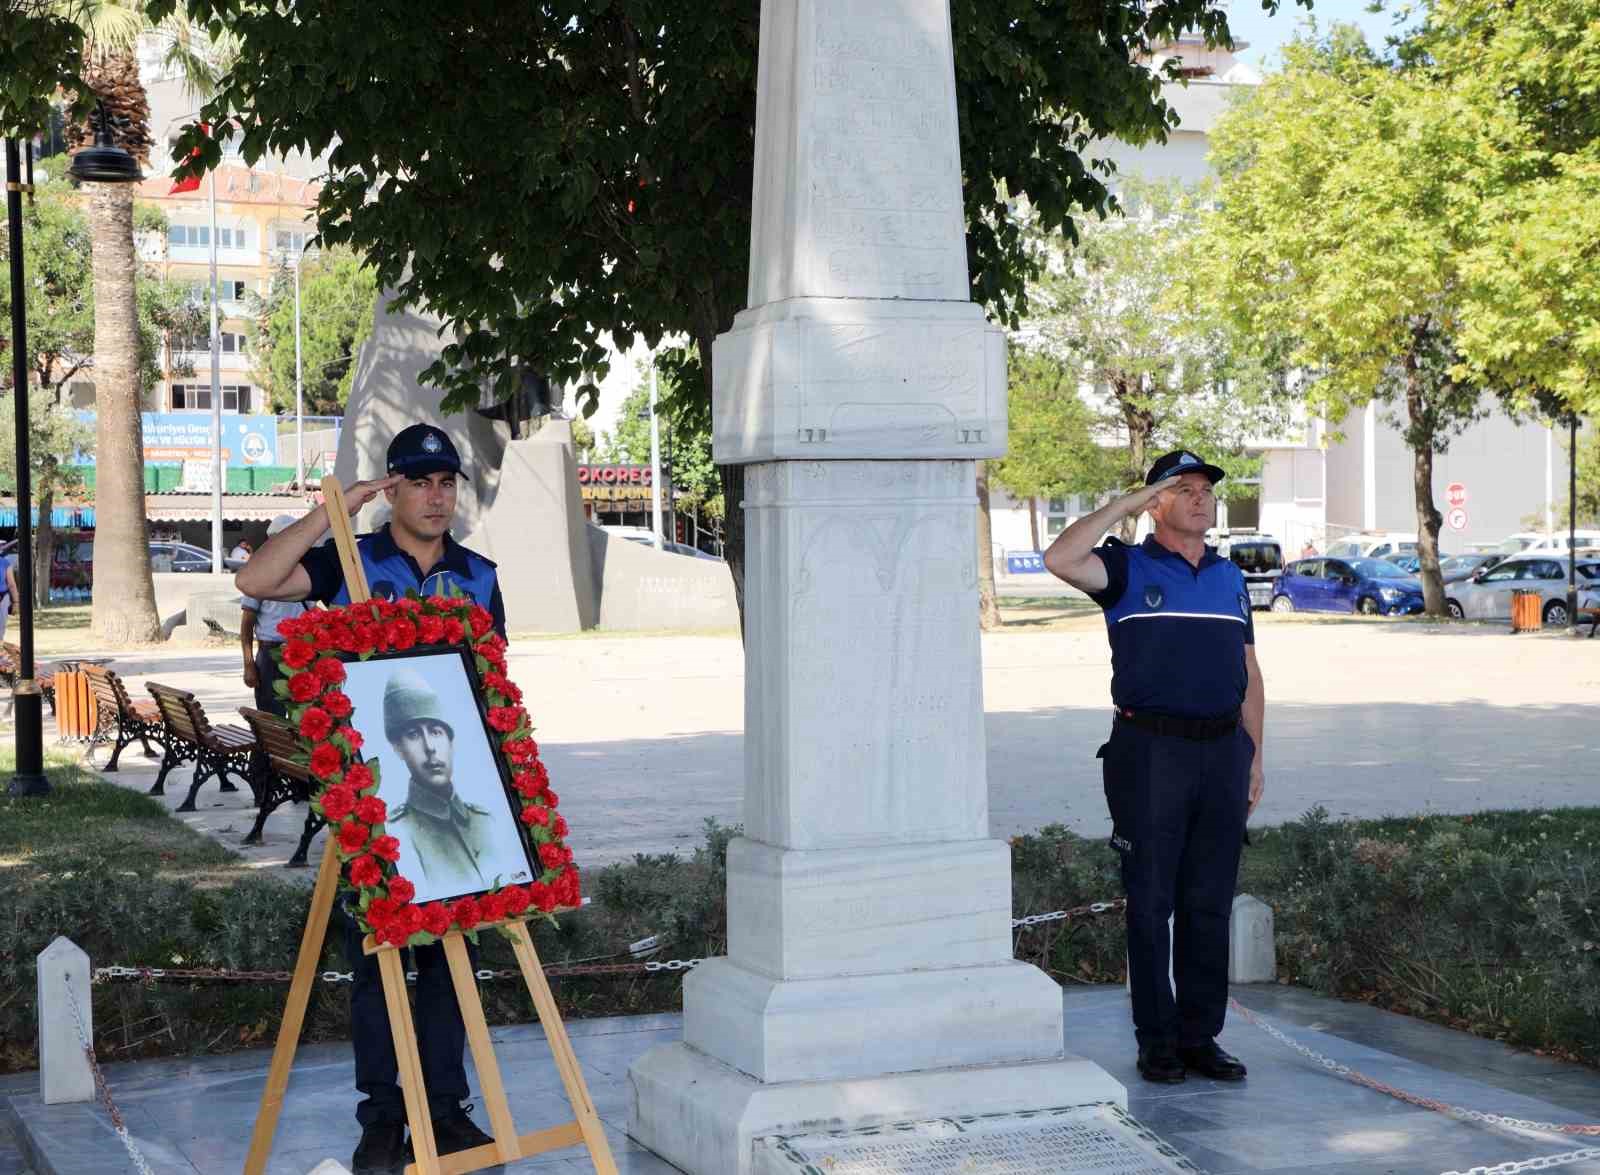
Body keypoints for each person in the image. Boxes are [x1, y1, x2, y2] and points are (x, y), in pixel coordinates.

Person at [235, 423, 503, 1174]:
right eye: (419, 482)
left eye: (447, 481)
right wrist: (337, 510)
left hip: (452, 797)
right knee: (378, 961)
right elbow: (255, 581)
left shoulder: (479, 575)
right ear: (392, 490)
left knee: (452, 961)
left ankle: (446, 1114)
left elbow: (494, 688)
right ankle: (384, 1117)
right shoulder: (353, 563)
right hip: (372, 802)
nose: (436, 495)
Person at [1043, 449, 1265, 1087]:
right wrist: (1124, 506)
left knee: (1209, 901)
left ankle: (1201, 1037)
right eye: (1183, 489)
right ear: (1156, 503)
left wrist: (1254, 755)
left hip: (1223, 752)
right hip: (1150, 753)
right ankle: (1158, 1041)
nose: (1200, 499)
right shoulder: (1124, 567)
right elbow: (1061, 558)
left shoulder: (1228, 578)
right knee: (1151, 902)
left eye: (1206, 491)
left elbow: (1248, 672)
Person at [381, 669, 532, 899]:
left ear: (451, 742)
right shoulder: (397, 834)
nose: (429, 746)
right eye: (413, 734)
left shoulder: (488, 821)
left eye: (436, 731)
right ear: (397, 747)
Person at [239, 516, 309, 716]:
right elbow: (246, 625)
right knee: (271, 719)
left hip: (303, 653)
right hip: (271, 655)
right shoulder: (260, 575)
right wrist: (248, 664)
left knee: (301, 718)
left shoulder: (305, 572)